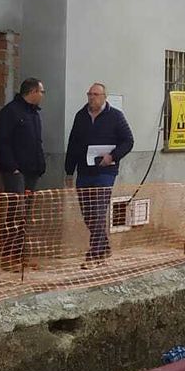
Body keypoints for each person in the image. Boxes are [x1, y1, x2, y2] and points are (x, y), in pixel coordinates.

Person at [64, 83, 134, 268]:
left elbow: (128, 141)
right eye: (89, 94)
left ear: (104, 97)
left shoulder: (115, 116)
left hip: (105, 172)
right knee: (87, 213)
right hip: (84, 171)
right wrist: (69, 171)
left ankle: (94, 254)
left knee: (98, 211)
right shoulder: (81, 116)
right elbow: (73, 144)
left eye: (95, 94)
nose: (91, 98)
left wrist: (112, 156)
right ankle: (104, 246)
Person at [0, 78, 47, 266]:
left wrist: (41, 165)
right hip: (16, 172)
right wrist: (12, 167)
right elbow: (2, 142)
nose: (42, 95)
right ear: (32, 92)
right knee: (15, 212)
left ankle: (21, 255)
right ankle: (9, 256)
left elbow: (36, 142)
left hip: (32, 171)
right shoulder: (11, 112)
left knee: (26, 215)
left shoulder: (34, 114)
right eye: (41, 91)